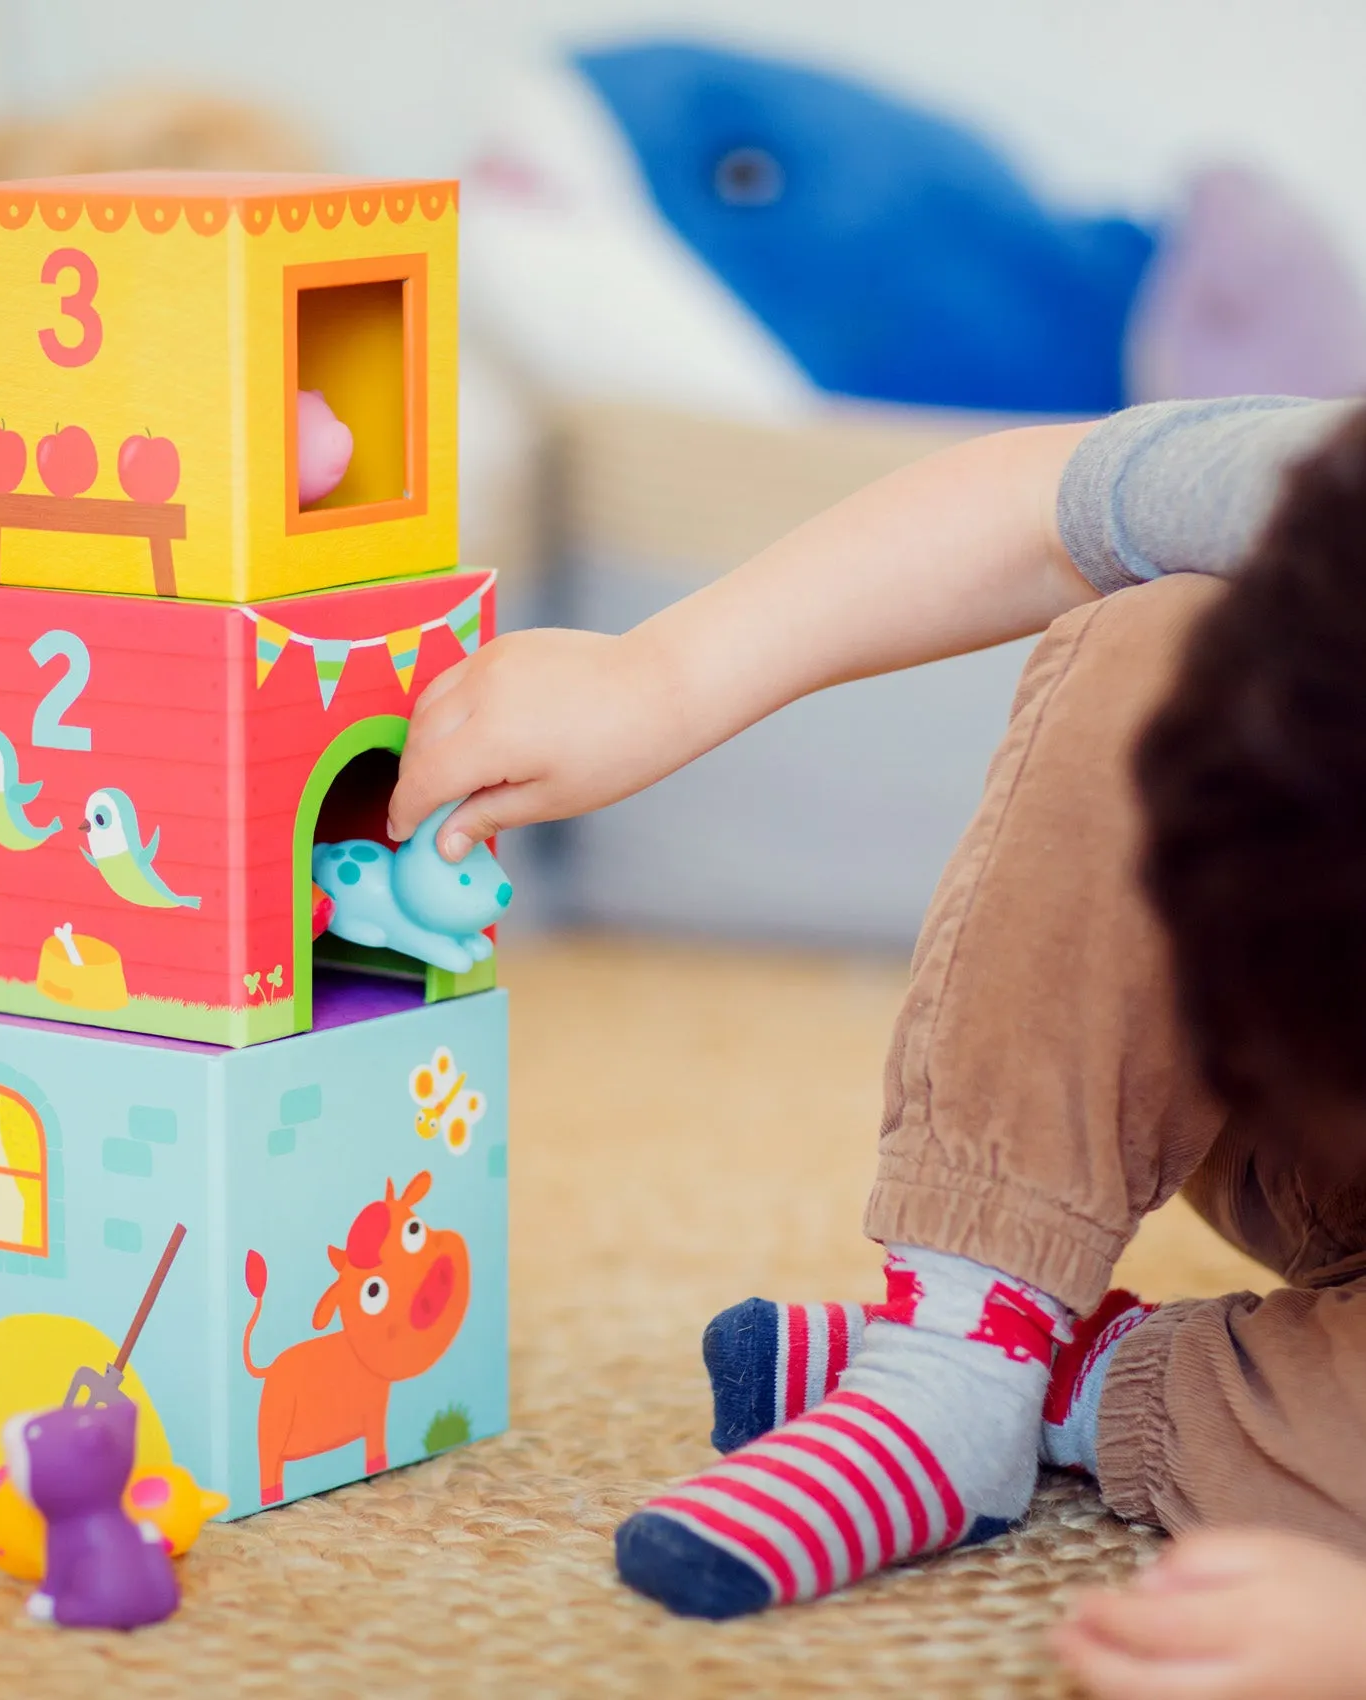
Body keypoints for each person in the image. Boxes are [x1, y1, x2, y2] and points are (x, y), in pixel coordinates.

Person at [387, 396, 1366, 1694]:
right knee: (1164, 637)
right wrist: (656, 679)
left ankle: (1068, 1381)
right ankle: (965, 1341)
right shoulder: (1325, 518)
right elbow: (1041, 501)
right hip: (1301, 1105)